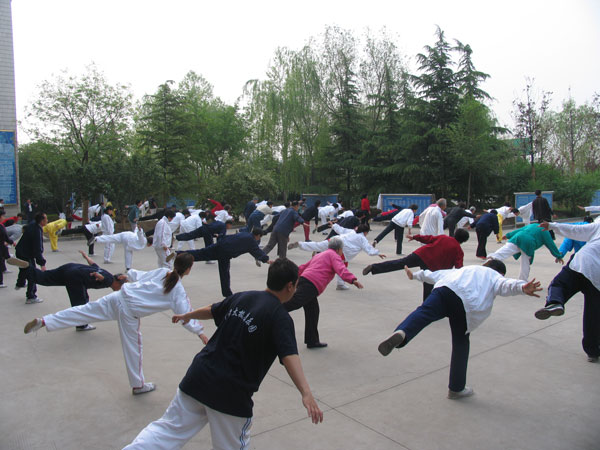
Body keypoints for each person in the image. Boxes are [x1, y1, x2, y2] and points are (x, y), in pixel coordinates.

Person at [124, 259, 323, 449]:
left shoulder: (243, 296)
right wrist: (306, 393)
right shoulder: (280, 317)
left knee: (166, 431)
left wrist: (188, 315)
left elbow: (212, 310)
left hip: (198, 377)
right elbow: (289, 356)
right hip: (231, 395)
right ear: (289, 286)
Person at [24, 253, 208, 394]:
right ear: (188, 269)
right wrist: (199, 333)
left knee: (83, 311)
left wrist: (127, 276)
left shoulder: (162, 272)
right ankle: (138, 385)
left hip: (119, 297)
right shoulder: (178, 291)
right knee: (133, 348)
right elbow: (186, 315)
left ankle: (46, 321)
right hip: (129, 312)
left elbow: (139, 275)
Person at [377, 261, 542, 399]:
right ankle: (456, 388)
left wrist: (415, 275)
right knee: (460, 344)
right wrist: (522, 287)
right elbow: (505, 285)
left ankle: (402, 332)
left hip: (445, 289)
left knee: (423, 313)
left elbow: (436, 274)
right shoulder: (494, 276)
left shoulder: (465, 269)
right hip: (466, 304)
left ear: (486, 264)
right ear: (500, 272)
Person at [535, 221, 600, 362]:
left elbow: (577, 230)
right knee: (593, 315)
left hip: (583, 262)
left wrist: (552, 226)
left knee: (559, 284)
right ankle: (593, 351)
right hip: (598, 278)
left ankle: (555, 302)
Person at [284, 237, 363, 348]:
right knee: (294, 303)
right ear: (338, 249)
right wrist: (353, 280)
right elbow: (341, 269)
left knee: (313, 311)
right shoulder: (334, 255)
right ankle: (271, 310)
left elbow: (304, 267)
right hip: (311, 283)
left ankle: (312, 341)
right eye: (342, 249)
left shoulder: (320, 254)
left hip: (305, 280)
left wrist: (293, 276)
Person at [25, 250, 128, 331]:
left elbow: (93, 264)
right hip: (75, 277)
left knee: (46, 277)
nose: (119, 290)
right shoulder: (109, 281)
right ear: (118, 282)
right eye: (121, 287)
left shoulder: (107, 273)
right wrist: (97, 275)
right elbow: (103, 279)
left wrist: (86, 256)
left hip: (70, 267)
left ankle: (27, 268)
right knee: (80, 304)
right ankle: (82, 325)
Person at [364, 229, 469, 301]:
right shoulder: (459, 251)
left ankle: (374, 267)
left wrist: (415, 237)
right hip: (432, 268)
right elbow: (459, 268)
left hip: (421, 255)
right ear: (464, 241)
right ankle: (427, 308)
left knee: (398, 263)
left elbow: (428, 238)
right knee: (428, 287)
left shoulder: (444, 238)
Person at [174, 229, 271, 297]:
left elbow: (230, 236)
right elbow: (256, 251)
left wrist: (219, 236)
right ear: (258, 235)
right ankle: (227, 293)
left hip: (221, 245)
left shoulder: (244, 233)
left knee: (201, 253)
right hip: (225, 253)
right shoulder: (251, 240)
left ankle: (178, 254)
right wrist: (267, 260)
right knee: (223, 272)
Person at [289, 223, 382, 290]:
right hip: (342, 250)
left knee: (318, 245)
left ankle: (301, 244)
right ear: (365, 232)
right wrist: (377, 253)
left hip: (334, 240)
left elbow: (341, 229)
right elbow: (368, 248)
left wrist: (333, 225)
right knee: (342, 265)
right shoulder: (362, 238)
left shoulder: (352, 231)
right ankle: (340, 284)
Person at [487, 223, 563, 280]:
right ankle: (522, 280)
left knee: (503, 252)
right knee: (525, 263)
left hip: (518, 237)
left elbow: (520, 229)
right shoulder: (546, 232)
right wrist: (558, 255)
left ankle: (490, 260)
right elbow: (551, 244)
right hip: (528, 243)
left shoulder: (533, 225)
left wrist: (508, 235)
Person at [15, 212, 48, 303]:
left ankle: (20, 284)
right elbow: (38, 249)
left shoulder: (33, 224)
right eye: (46, 219)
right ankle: (31, 296)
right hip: (26, 254)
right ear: (42, 221)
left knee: (24, 268)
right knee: (32, 274)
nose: (47, 221)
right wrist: (42, 263)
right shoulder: (37, 231)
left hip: (20, 251)